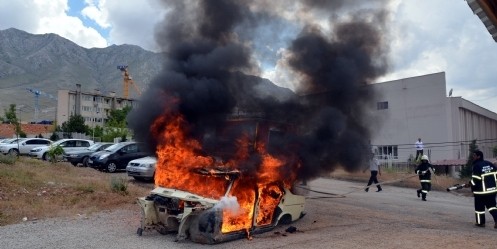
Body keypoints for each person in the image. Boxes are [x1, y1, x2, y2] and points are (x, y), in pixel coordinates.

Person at [465, 150, 497, 228]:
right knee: (492, 207)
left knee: (479, 208)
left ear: (478, 156)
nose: (473, 157)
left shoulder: (477, 165)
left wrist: (470, 184)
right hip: (492, 190)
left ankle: (480, 222)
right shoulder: (490, 164)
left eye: (474, 155)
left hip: (481, 192)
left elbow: (476, 179)